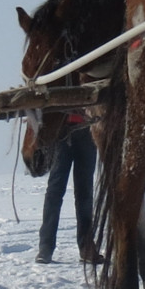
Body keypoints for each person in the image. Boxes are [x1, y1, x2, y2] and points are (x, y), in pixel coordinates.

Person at [36, 111, 98, 264]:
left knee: (85, 192)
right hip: (62, 133)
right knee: (55, 191)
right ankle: (45, 248)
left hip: (87, 131)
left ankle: (86, 247)